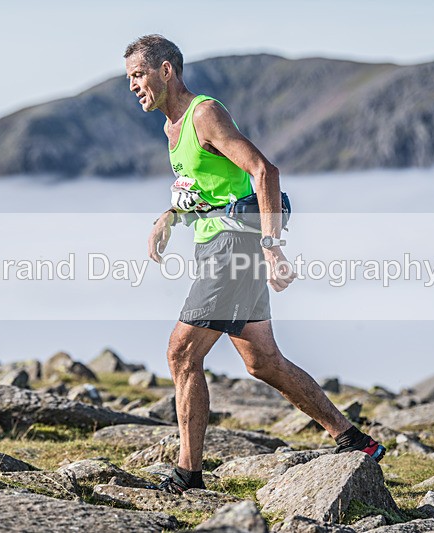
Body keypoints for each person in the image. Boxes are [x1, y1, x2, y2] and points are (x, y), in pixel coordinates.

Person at [123, 35, 385, 494]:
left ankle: (188, 474)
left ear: (167, 70)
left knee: (182, 353)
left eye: (138, 75)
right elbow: (209, 190)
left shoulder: (204, 113)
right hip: (216, 246)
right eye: (129, 78)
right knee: (264, 361)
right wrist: (171, 215)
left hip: (234, 249)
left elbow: (264, 171)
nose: (133, 86)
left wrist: (271, 245)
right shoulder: (172, 129)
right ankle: (353, 439)